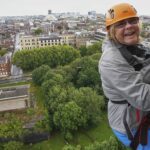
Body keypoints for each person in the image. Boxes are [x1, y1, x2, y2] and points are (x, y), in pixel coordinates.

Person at [99, 3, 150, 150]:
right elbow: (143, 98)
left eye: (133, 21)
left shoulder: (139, 47)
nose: (129, 26)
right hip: (132, 124)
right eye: (121, 24)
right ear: (111, 31)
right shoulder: (110, 61)